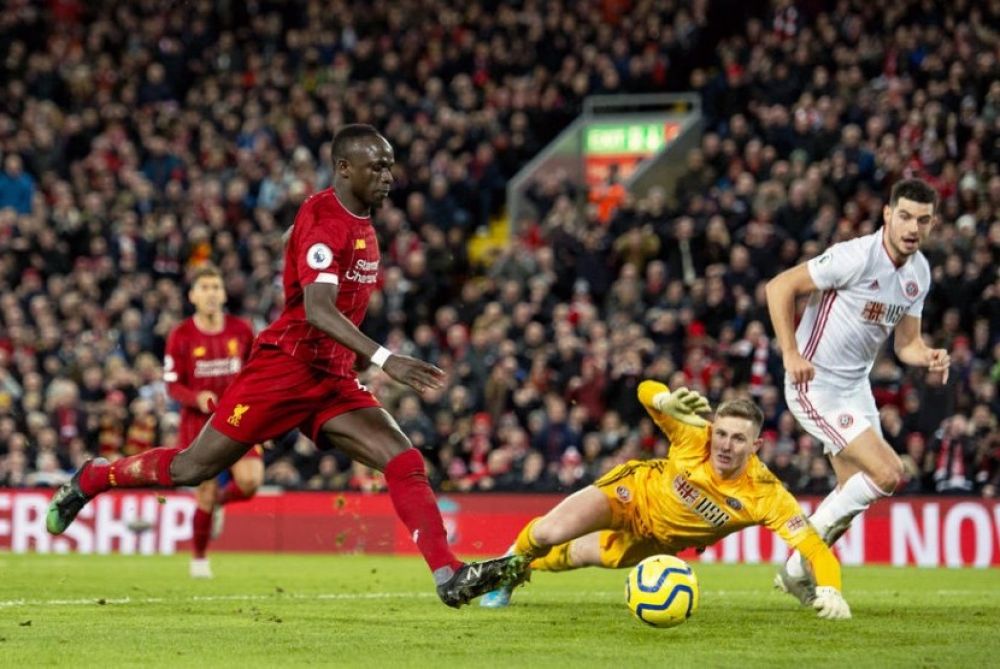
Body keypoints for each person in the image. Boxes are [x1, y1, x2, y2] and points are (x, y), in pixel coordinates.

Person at [47, 124, 526, 607]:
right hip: (284, 371)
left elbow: (305, 256)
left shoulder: (357, 221)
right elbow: (318, 309)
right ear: (344, 168)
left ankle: (449, 574)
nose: (388, 176)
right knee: (193, 467)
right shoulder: (324, 218)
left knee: (404, 460)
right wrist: (385, 358)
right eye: (377, 166)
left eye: (390, 166)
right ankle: (93, 478)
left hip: (332, 377)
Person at [481, 381, 852, 620]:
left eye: (738, 439)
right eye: (720, 433)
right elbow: (644, 389)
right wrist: (664, 399)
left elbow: (815, 549)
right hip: (632, 494)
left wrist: (830, 586)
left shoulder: (766, 494)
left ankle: (522, 570)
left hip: (658, 541)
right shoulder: (694, 435)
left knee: (578, 555)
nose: (724, 445)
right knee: (550, 532)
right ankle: (504, 571)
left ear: (756, 446)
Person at [764, 178, 950, 605]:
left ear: (932, 225)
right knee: (888, 472)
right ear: (887, 215)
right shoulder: (855, 256)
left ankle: (798, 570)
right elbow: (779, 287)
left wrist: (928, 357)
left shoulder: (918, 274)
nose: (912, 227)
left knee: (853, 494)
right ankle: (796, 564)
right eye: (904, 215)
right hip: (815, 384)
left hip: (854, 386)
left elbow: (906, 344)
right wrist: (791, 353)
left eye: (922, 220)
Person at [163, 264, 261, 579]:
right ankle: (200, 559)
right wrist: (197, 398)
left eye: (216, 287)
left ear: (223, 293)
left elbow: (256, 373)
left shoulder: (242, 330)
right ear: (192, 295)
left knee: (249, 482)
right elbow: (172, 385)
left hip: (239, 417)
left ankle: (220, 503)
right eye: (204, 288)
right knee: (203, 491)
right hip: (197, 424)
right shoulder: (180, 335)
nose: (211, 293)